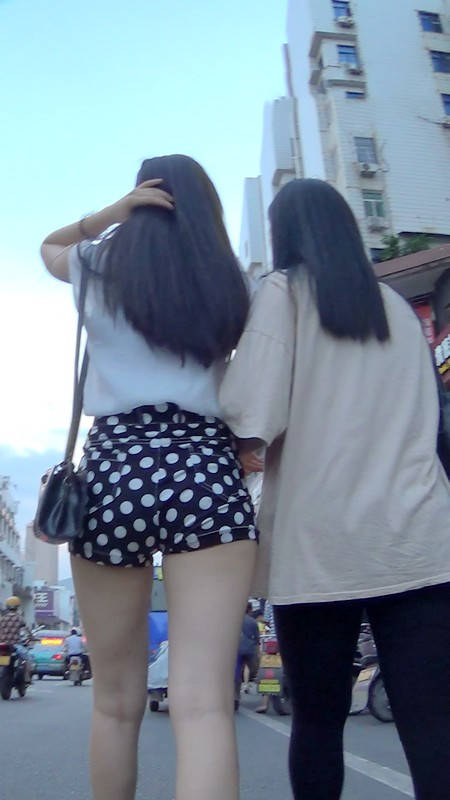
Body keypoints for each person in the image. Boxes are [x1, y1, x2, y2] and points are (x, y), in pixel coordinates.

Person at [220, 178, 450, 800]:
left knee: (318, 723)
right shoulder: (395, 307)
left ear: (285, 235)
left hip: (319, 547)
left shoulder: (283, 293)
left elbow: (250, 414)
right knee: (433, 725)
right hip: (419, 538)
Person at [40, 154, 257, 800]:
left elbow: (49, 247)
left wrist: (111, 214)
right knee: (204, 704)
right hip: (205, 466)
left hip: (115, 469)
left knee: (114, 702)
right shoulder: (230, 279)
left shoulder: (97, 265)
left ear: (139, 200)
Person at [0, 596, 32, 682]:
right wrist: (31, 637)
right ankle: (27, 678)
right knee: (28, 658)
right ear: (17, 607)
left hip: (3, 644)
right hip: (15, 644)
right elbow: (27, 630)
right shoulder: (19, 618)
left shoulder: (2, 618)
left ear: (7, 606)